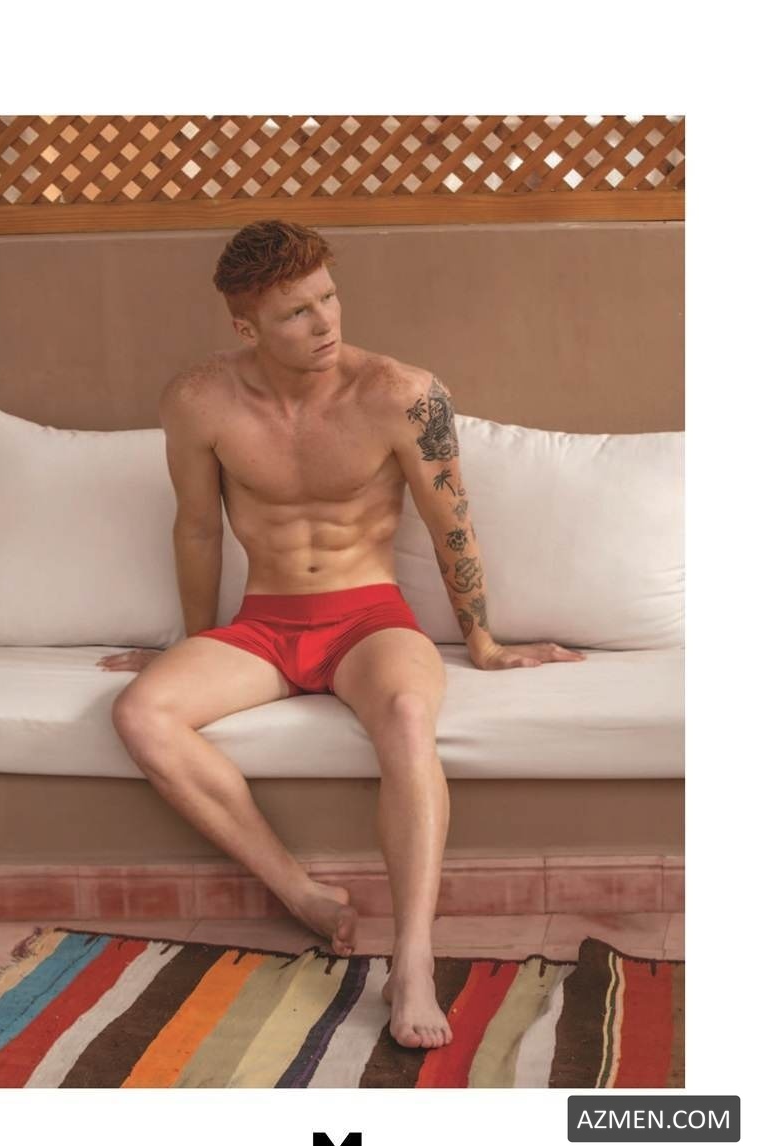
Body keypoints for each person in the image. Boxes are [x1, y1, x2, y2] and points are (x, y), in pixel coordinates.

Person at [97, 219, 586, 1050]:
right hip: (265, 621)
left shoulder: (402, 393)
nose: (325, 322)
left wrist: (484, 640)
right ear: (247, 326)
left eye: (328, 297)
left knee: (406, 716)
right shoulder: (199, 400)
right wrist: (194, 641)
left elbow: (453, 525)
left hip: (369, 620)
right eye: (296, 312)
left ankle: (414, 959)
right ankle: (301, 893)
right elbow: (198, 529)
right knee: (141, 712)